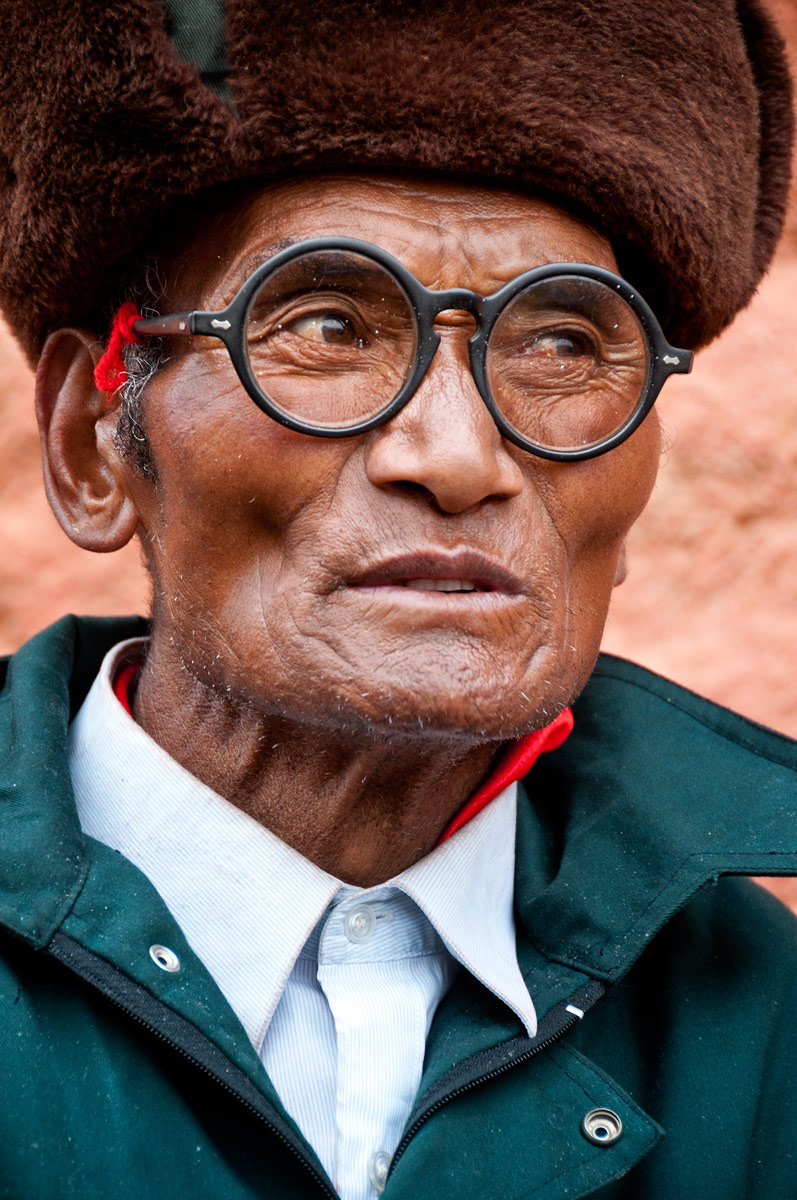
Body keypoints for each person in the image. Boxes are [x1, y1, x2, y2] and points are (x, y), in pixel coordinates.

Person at [1, 2, 796, 1197]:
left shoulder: (758, 1027)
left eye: (564, 345)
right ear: (88, 444)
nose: (458, 457)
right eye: (326, 325)